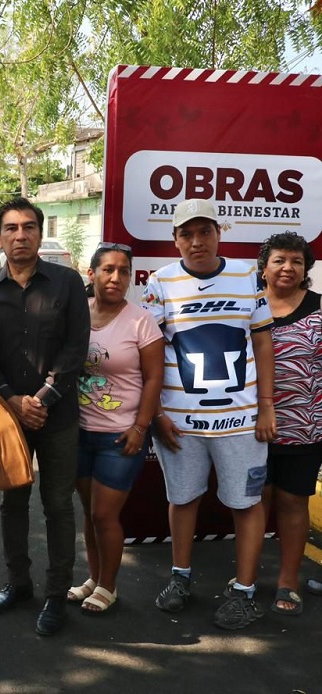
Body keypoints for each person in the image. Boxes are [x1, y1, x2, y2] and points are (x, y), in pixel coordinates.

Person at [142, 198, 276, 630]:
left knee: (246, 502)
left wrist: (266, 407)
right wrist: (157, 412)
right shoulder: (160, 282)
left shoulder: (247, 276)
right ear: (175, 238)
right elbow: (150, 354)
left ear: (220, 232)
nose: (196, 241)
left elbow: (262, 343)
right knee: (182, 498)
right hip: (180, 422)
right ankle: (180, 577)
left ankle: (245, 591)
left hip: (240, 420)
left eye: (205, 232)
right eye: (187, 233)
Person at [0, 197, 90, 637]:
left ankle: (56, 594)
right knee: (13, 502)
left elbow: (77, 347)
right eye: (11, 228)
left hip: (57, 416)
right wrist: (14, 400)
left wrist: (41, 397)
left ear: (39, 233)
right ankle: (18, 582)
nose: (20, 235)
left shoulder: (68, 283)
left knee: (58, 505)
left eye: (29, 227)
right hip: (8, 415)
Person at [70, 243, 163, 614]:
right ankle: (94, 577)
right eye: (107, 269)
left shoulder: (141, 321)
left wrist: (141, 427)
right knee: (90, 513)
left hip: (120, 435)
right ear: (91, 273)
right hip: (78, 433)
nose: (116, 277)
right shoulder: (77, 314)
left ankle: (109, 586)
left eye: (124, 271)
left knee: (105, 515)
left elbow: (155, 377)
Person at [256, 231, 322, 615]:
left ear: (306, 269)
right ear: (264, 268)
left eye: (297, 261)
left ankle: (287, 581)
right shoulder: (247, 307)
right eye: (280, 260)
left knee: (292, 502)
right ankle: (247, 576)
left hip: (304, 429)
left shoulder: (318, 310)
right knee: (254, 502)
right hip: (249, 427)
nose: (288, 267)